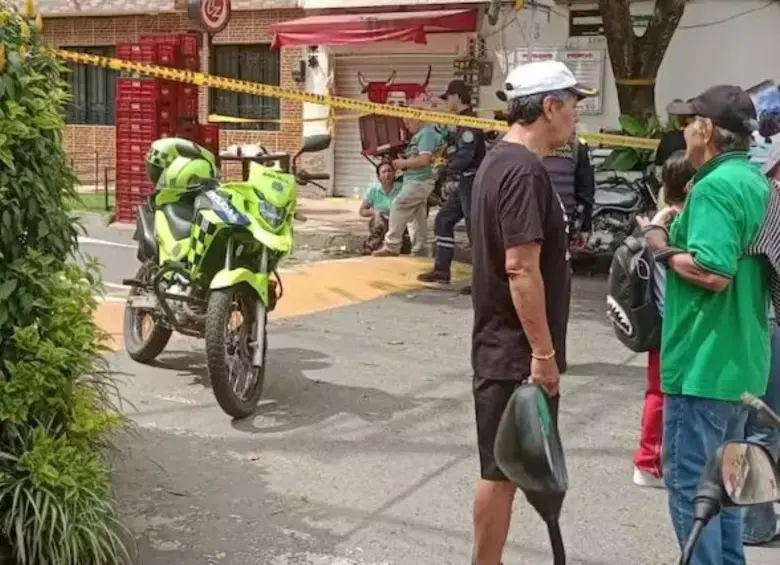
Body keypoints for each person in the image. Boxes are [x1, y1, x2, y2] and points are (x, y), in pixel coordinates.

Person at [469, 59, 596, 565]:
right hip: (514, 355)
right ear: (549, 107)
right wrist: (542, 354)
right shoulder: (521, 171)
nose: (576, 119)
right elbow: (521, 268)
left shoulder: (504, 162)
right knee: (501, 474)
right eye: (572, 106)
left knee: (505, 472)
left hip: (505, 349)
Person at [639, 85, 771, 565]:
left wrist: (658, 242)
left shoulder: (715, 186)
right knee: (729, 489)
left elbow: (714, 272)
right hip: (742, 363)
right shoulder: (753, 180)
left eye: (687, 122)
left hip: (702, 364)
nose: (683, 132)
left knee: (694, 489)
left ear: (707, 130)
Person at [632, 150, 694, 489]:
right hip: (673, 324)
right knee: (661, 394)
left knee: (662, 393)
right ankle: (649, 462)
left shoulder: (659, 220)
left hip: (663, 322)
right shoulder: (676, 224)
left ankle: (656, 460)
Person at [742, 146, 780, 545]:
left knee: (756, 425)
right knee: (761, 425)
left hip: (755, 323)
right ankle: (755, 522)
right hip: (765, 323)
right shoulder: (770, 199)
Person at [417, 80, 486, 293]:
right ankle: (441, 271)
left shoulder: (469, 124)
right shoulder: (460, 122)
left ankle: (482, 284)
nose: (447, 103)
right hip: (465, 181)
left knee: (477, 233)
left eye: (449, 99)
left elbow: (466, 155)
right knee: (443, 220)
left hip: (473, 181)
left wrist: (445, 168)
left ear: (457, 97)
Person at [541, 132, 595, 371]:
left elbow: (585, 188)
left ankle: (555, 356)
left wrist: (584, 227)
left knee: (556, 293)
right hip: (527, 221)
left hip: (562, 228)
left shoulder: (577, 147)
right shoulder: (528, 140)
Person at [373, 97, 441, 257]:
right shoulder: (420, 135)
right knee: (417, 218)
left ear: (417, 117)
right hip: (415, 180)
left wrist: (404, 164)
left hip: (420, 180)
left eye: (408, 120)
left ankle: (391, 245)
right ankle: (420, 250)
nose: (405, 123)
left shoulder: (427, 133)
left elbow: (424, 160)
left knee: (398, 205)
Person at [358, 162, 411, 255]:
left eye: (390, 171)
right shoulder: (373, 190)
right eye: (384, 172)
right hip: (380, 222)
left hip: (399, 221)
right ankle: (372, 247)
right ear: (379, 176)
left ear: (394, 173)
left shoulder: (401, 188)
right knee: (381, 220)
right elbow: (362, 211)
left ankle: (383, 246)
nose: (387, 174)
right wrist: (375, 213)